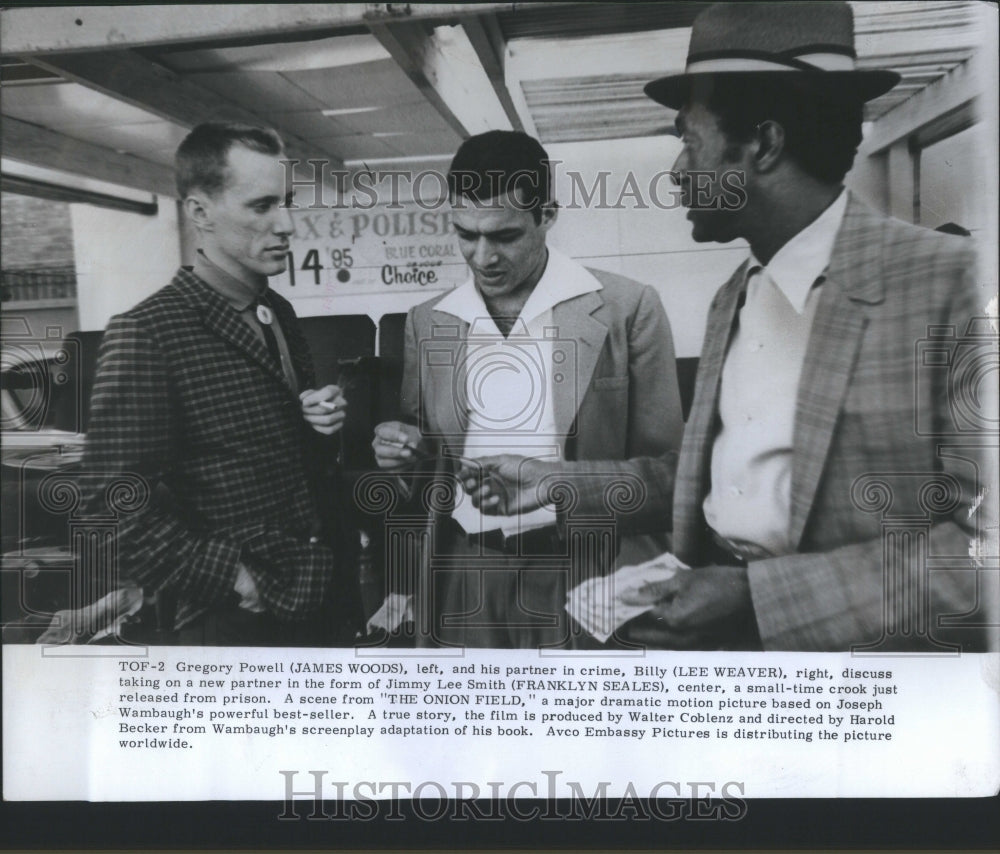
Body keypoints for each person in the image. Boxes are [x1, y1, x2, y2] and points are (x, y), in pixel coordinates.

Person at [625, 1, 995, 651]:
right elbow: (701, 475)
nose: (677, 172)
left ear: (763, 145)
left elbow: (984, 549)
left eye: (688, 139)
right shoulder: (731, 298)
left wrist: (758, 601)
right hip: (716, 637)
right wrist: (546, 483)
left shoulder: (956, 284)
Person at [372, 130, 683, 648]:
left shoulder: (627, 308)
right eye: (465, 234)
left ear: (548, 215)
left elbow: (668, 472)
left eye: (505, 236)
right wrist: (405, 453)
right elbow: (430, 466)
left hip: (589, 569)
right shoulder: (429, 321)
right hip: (467, 572)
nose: (482, 255)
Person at [82, 122, 357, 646]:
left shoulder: (277, 310)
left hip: (316, 599)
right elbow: (108, 504)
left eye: (288, 201)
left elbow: (267, 450)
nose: (288, 224)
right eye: (262, 206)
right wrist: (234, 581)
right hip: (233, 623)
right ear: (200, 212)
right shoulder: (148, 332)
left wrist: (315, 421)